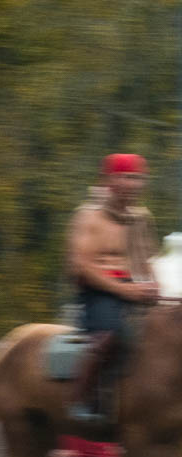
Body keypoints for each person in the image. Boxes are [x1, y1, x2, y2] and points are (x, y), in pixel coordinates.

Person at [64, 152, 159, 431]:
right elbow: (81, 266)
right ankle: (83, 400)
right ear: (109, 180)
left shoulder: (141, 219)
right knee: (113, 334)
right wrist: (125, 291)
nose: (135, 184)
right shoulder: (88, 217)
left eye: (139, 178)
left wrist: (154, 288)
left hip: (134, 289)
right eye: (127, 177)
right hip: (98, 293)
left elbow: (147, 261)